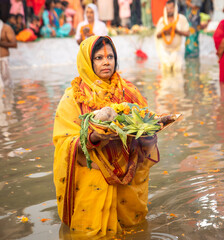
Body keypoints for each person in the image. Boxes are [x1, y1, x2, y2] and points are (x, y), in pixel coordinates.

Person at [53, 35, 160, 237]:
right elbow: (63, 141)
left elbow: (145, 121)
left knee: (133, 231)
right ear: (88, 61)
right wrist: (93, 138)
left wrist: (152, 128)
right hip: (92, 169)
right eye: (99, 58)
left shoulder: (128, 91)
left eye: (110, 56)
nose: (106, 62)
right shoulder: (72, 98)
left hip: (126, 167)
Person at [155, 0, 190, 72]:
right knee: (165, 76)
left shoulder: (181, 19)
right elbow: (157, 35)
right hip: (165, 52)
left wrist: (177, 31)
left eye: (171, 8)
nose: (169, 10)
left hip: (178, 50)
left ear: (175, 8)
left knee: (178, 75)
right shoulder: (162, 20)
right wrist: (164, 32)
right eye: (167, 8)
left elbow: (187, 33)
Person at [0, 19, 17, 89]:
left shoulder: (6, 28)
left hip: (3, 59)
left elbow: (14, 44)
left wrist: (1, 43)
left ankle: (8, 99)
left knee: (7, 84)